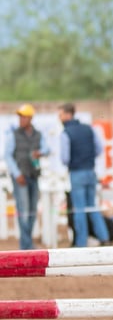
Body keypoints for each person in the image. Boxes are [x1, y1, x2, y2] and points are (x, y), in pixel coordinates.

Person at [58, 102, 109, 247]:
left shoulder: (66, 133)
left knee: (79, 209)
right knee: (92, 207)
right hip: (91, 172)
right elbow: (99, 149)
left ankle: (81, 242)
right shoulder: (88, 129)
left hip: (76, 173)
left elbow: (65, 158)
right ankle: (103, 237)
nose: (59, 118)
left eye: (61, 115)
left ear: (68, 114)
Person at [4, 104, 50, 250]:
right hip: (21, 178)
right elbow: (7, 156)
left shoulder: (38, 134)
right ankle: (27, 244)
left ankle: (26, 243)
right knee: (23, 211)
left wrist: (40, 152)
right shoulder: (13, 134)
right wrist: (17, 174)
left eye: (23, 117)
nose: (21, 119)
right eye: (20, 117)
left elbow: (47, 149)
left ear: (30, 118)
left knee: (32, 212)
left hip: (33, 176)